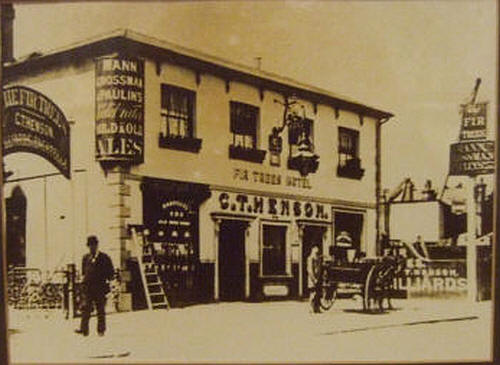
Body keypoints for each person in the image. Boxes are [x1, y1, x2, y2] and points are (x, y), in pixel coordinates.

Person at [75, 235, 114, 337]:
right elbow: (84, 272)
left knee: (100, 309)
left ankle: (101, 330)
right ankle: (84, 330)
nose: (91, 248)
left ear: (97, 245)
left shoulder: (104, 258)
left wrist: (106, 281)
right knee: (86, 308)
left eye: (93, 245)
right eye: (89, 246)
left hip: (100, 287)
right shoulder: (85, 258)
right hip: (88, 287)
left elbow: (111, 272)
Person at [306, 245, 322, 313]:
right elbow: (310, 269)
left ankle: (317, 308)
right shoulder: (310, 258)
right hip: (312, 279)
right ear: (312, 250)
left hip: (318, 278)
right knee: (313, 294)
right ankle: (311, 308)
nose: (316, 251)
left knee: (318, 294)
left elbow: (319, 268)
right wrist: (313, 279)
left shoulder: (318, 258)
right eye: (315, 249)